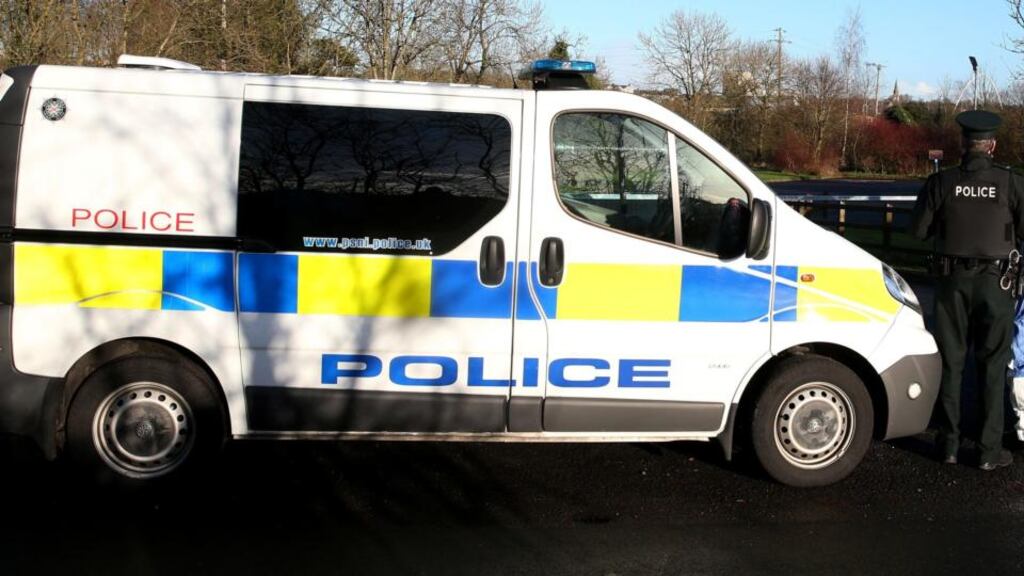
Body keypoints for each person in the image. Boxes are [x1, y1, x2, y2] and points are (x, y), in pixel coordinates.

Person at [911, 110, 1024, 471]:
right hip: (997, 283)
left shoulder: (942, 182)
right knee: (992, 365)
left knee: (950, 362)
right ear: (992, 145)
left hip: (950, 283)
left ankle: (948, 445)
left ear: (963, 143)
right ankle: (989, 452)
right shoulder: (1010, 183)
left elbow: (917, 232)